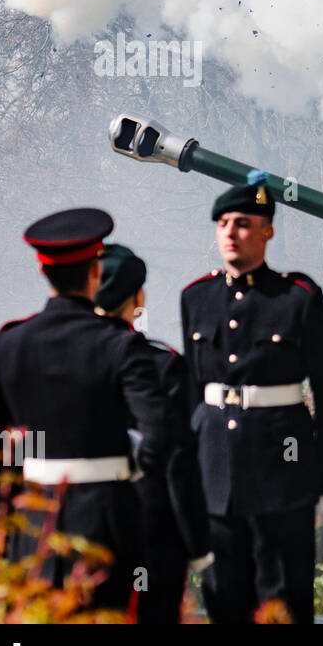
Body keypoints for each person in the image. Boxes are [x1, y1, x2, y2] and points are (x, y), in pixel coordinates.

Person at [0, 208, 171, 612]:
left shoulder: (10, 343)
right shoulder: (121, 346)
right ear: (95, 272)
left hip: (32, 524)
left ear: (43, 272)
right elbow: (162, 436)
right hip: (107, 522)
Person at [182, 170, 323, 624]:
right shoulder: (195, 298)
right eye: (222, 224)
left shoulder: (298, 298)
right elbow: (191, 398)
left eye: (241, 223)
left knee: (285, 605)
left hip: (284, 478)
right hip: (216, 479)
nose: (230, 233)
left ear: (267, 230)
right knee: (223, 603)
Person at [94, 243, 211, 624]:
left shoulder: (48, 357)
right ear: (138, 298)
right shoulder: (163, 365)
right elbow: (181, 460)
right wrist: (197, 543)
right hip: (152, 532)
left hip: (73, 529)